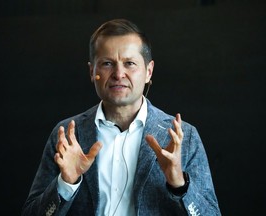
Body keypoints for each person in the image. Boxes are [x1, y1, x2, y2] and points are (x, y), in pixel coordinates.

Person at [21, 18, 221, 216]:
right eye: (107, 63)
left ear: (148, 72)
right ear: (92, 71)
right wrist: (66, 184)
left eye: (130, 63)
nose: (118, 74)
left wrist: (179, 184)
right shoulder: (67, 135)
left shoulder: (183, 136)